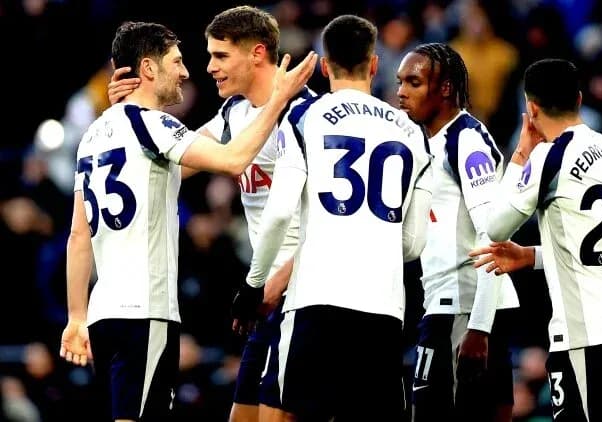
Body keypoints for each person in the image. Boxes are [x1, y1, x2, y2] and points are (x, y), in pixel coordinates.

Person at [58, 20, 316, 422]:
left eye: (217, 56)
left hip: (103, 314)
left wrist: (76, 317)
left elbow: (78, 234)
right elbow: (232, 159)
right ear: (148, 68)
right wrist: (279, 99)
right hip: (147, 311)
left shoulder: (94, 133)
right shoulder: (158, 126)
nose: (189, 71)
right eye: (177, 61)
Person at [231, 15, 433, 421]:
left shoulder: (305, 117)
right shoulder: (413, 132)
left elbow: (279, 214)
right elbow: (413, 243)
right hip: (383, 309)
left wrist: (254, 286)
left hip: (315, 301)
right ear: (374, 64)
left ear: (325, 66)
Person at [470, 58, 602, 421]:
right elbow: (595, 248)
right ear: (579, 99)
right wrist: (531, 256)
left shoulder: (550, 156)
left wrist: (521, 154)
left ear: (531, 107)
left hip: (586, 330)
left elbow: (495, 226)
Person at [396, 43, 519, 421]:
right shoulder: (427, 142)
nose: (401, 92)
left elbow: (493, 235)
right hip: (448, 305)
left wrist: (479, 329)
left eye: (414, 82)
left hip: (463, 309)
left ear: (445, 88)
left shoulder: (466, 140)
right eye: (400, 82)